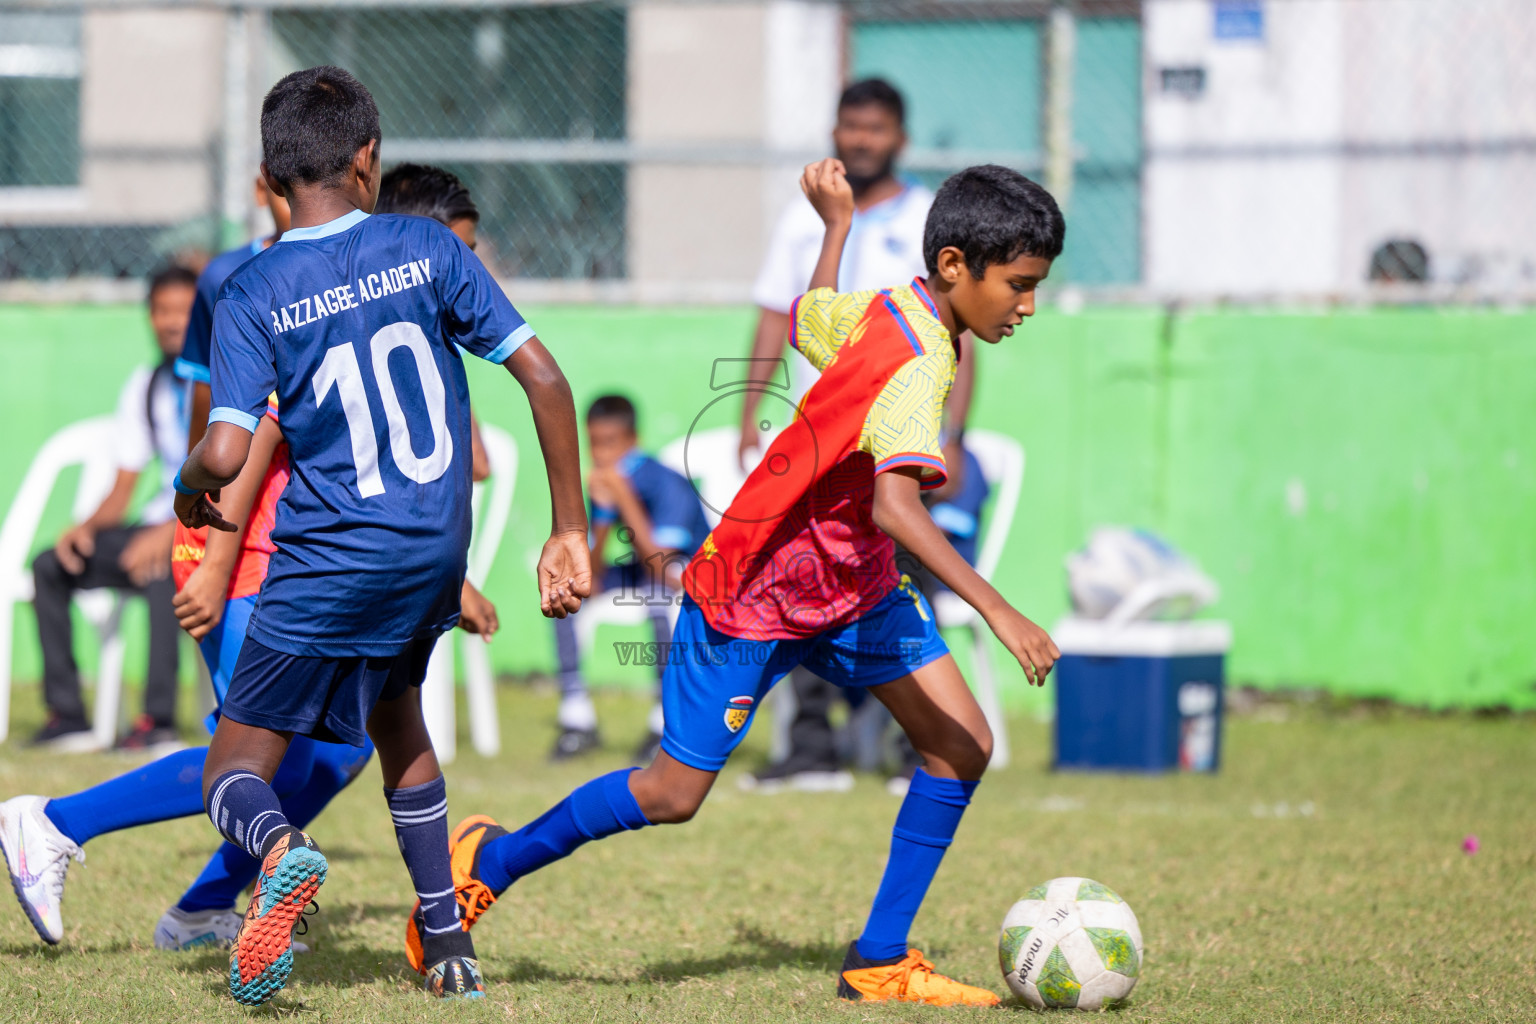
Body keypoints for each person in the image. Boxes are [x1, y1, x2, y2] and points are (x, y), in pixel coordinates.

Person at [428, 161, 1064, 1007]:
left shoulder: (898, 309)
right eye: (1019, 287)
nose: (1028, 306)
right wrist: (1001, 608)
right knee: (671, 793)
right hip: (756, 591)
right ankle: (490, 861)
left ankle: (879, 958)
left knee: (962, 744)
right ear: (955, 266)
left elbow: (809, 325)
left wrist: (833, 229)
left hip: (855, 588)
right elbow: (900, 507)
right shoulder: (920, 365)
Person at [0, 163, 505, 956]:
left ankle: (200, 908)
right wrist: (209, 558)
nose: (467, 272)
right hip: (248, 548)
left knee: (332, 755)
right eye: (460, 253)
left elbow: (384, 477)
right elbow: (242, 439)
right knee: (255, 752)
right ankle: (53, 824)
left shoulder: (389, 293)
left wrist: (453, 575)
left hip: (311, 555)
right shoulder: (287, 285)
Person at [172, 66, 588, 1004]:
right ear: (368, 159)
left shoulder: (251, 288)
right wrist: (570, 528)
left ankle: (281, 852)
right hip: (433, 550)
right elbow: (548, 380)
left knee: (233, 770)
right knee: (401, 720)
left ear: (271, 176)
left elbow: (229, 446)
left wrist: (187, 487)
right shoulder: (428, 248)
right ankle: (449, 948)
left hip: (327, 557)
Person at [738, 78, 979, 793]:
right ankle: (813, 749)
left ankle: (919, 750)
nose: (861, 140)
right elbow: (779, 317)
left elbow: (953, 339)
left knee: (907, 574)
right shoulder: (804, 217)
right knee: (803, 573)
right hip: (822, 443)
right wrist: (749, 414)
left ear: (898, 138)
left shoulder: (931, 220)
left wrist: (954, 433)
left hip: (902, 436)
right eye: (850, 127)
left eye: (875, 129)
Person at [27, 264, 195, 752]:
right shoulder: (147, 386)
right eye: (162, 310)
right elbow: (124, 487)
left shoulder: (220, 379)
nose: (171, 322)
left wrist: (170, 532)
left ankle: (156, 721)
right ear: (148, 317)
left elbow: (228, 479)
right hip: (154, 524)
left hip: (203, 532)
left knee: (165, 568)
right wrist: (86, 527)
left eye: (183, 311)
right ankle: (68, 715)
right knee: (50, 565)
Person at [545, 395, 710, 765]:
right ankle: (576, 718)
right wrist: (603, 512)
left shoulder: (667, 482)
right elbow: (595, 572)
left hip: (685, 578)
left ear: (633, 439)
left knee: (656, 596)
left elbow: (660, 566)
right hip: (638, 571)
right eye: (593, 444)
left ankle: (663, 720)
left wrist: (621, 494)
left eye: (610, 443)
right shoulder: (604, 483)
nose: (601, 455)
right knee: (565, 589)